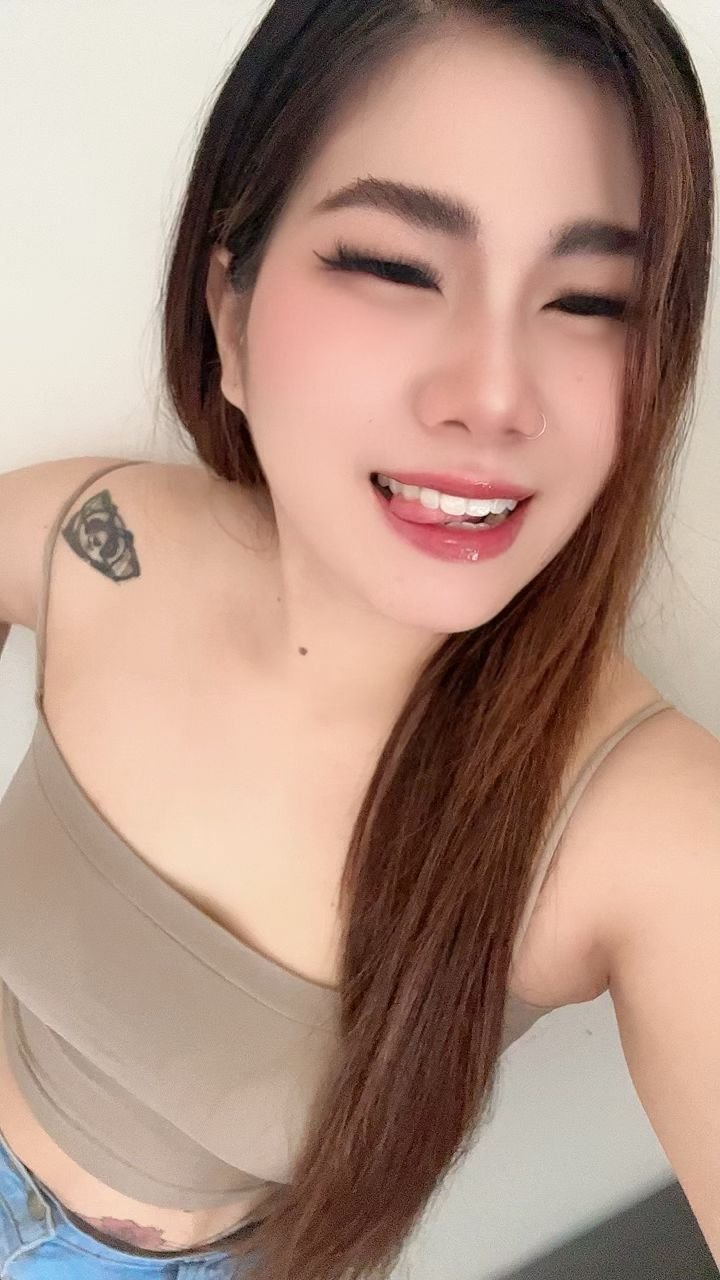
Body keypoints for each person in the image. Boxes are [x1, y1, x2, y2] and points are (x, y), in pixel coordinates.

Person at [0, 1, 718, 1277]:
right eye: (394, 267)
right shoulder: (98, 538)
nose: (493, 396)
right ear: (229, 316)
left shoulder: (645, 822)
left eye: (592, 299)